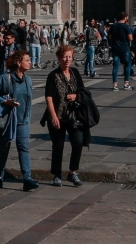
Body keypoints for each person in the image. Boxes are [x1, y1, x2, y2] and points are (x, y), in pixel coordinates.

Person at [0, 49, 38, 190]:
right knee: (4, 148)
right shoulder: (5, 78)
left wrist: (28, 117)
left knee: (24, 148)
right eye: (27, 60)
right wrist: (5, 102)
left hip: (23, 120)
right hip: (8, 119)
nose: (30, 62)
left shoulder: (28, 79)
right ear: (18, 62)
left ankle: (27, 179)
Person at [43, 44, 88, 187]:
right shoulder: (53, 75)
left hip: (74, 115)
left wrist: (76, 96)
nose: (67, 59)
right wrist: (54, 116)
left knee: (78, 142)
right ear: (59, 58)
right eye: (65, 57)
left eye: (70, 56)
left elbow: (82, 91)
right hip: (58, 115)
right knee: (58, 145)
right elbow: (49, 97)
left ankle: (73, 172)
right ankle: (57, 174)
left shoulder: (75, 73)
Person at [108, 14, 133, 90]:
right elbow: (130, 38)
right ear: (125, 17)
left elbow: (110, 37)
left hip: (115, 48)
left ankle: (115, 85)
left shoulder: (113, 26)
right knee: (127, 64)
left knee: (115, 66)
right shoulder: (126, 26)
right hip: (124, 48)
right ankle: (126, 84)